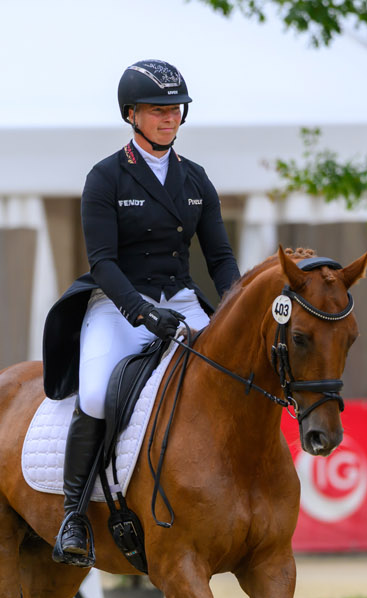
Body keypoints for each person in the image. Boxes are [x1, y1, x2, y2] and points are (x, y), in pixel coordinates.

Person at [40, 58, 241, 567]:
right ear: (131, 114)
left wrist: (235, 307)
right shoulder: (106, 177)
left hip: (180, 299)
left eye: (176, 109)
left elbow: (218, 257)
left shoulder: (195, 179)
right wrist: (140, 312)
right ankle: (73, 516)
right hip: (118, 303)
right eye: (157, 110)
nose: (169, 118)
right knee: (95, 394)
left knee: (234, 376)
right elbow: (102, 262)